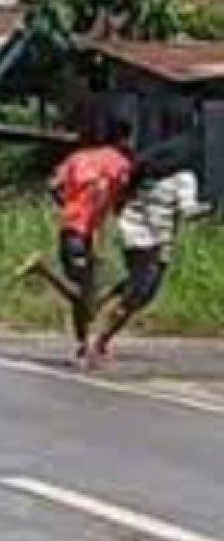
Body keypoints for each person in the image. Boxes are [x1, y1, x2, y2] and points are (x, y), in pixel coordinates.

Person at [15, 120, 134, 369]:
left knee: (84, 291)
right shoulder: (121, 163)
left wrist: (71, 205)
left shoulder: (78, 157)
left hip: (70, 227)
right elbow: (123, 196)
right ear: (124, 139)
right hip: (88, 231)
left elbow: (53, 185)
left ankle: (83, 347)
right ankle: (42, 269)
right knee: (86, 293)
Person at [90, 135, 207, 368]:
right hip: (156, 241)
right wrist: (207, 209)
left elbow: (120, 199)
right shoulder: (184, 178)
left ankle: (101, 300)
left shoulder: (144, 175)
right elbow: (189, 210)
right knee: (141, 294)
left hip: (132, 236)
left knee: (137, 282)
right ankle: (101, 340)